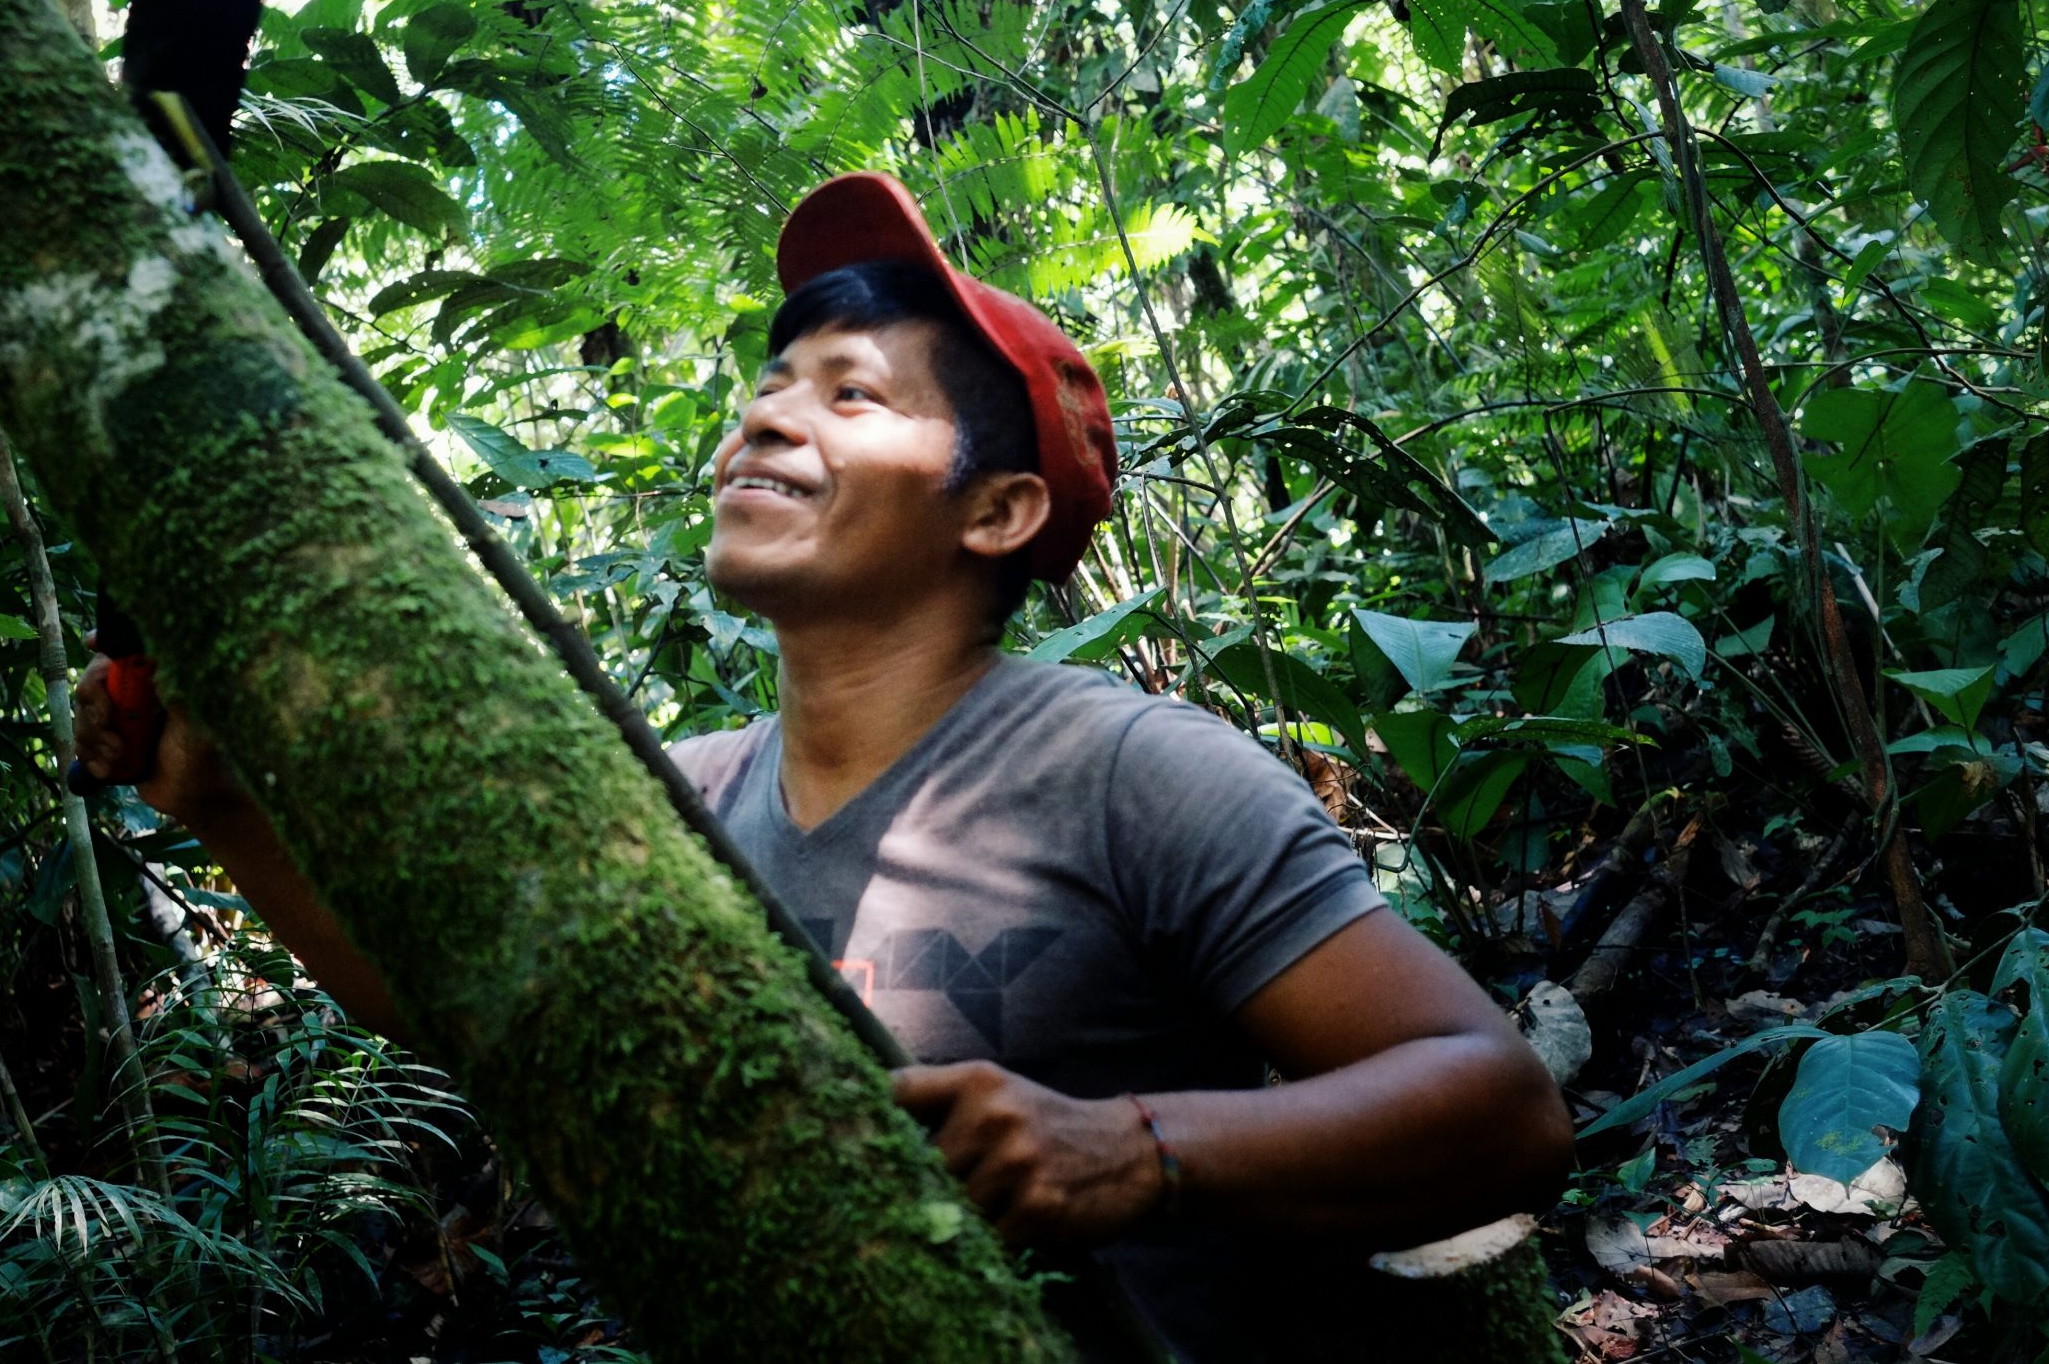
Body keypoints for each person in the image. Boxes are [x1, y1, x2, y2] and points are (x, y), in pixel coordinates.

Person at [76, 171, 1572, 1361]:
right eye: (774, 382)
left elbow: (1501, 1111)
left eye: (851, 394)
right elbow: (453, 994)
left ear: (993, 513)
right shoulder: (681, 794)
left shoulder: (1131, 769)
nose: (767, 412)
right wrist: (222, 807)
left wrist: (1131, 1150)